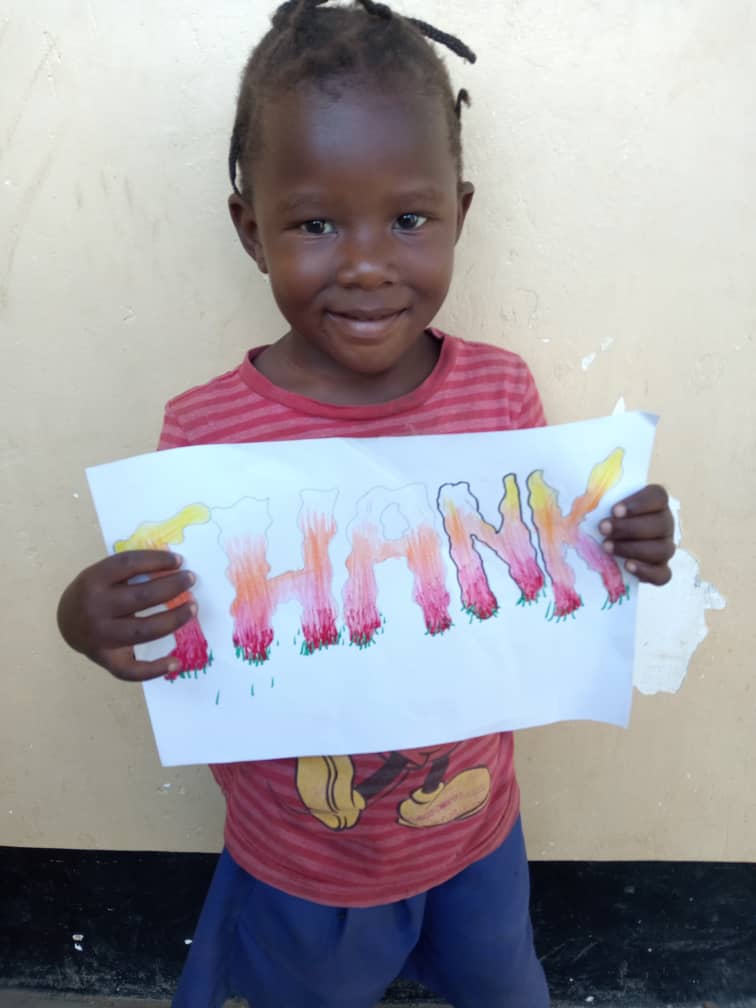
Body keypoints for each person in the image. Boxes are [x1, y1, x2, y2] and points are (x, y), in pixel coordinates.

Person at [56, 2, 676, 1005]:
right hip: (304, 860)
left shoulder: (500, 395)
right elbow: (168, 624)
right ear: (251, 229)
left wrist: (626, 543)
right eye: (315, 224)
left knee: (504, 987)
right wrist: (89, 618)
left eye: (409, 220)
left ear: (459, 215)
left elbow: (546, 573)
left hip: (477, 829)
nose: (368, 263)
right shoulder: (206, 437)